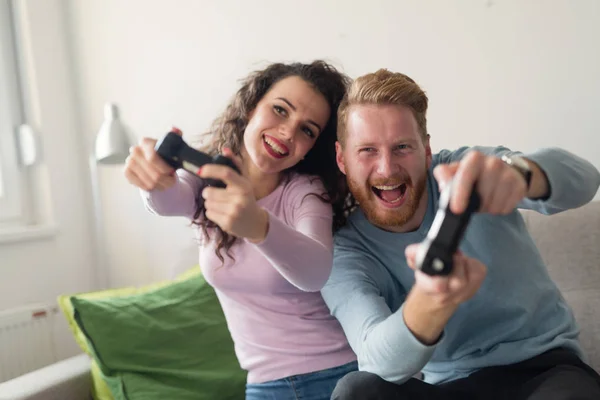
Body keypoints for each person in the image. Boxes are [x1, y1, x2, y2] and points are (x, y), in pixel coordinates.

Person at [321, 68, 600, 400]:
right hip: (452, 386)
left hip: (547, 371)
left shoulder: (468, 171)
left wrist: (522, 176)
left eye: (402, 148)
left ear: (426, 150)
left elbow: (586, 179)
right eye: (367, 150)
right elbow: (377, 360)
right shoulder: (345, 250)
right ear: (342, 158)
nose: (386, 168)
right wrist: (431, 301)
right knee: (357, 390)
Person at [124, 60, 358, 400]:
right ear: (251, 107)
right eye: (280, 110)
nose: (288, 132)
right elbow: (166, 200)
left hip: (337, 376)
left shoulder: (304, 193)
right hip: (264, 385)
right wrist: (151, 179)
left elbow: (315, 271)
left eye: (307, 130)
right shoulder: (209, 178)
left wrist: (257, 225)